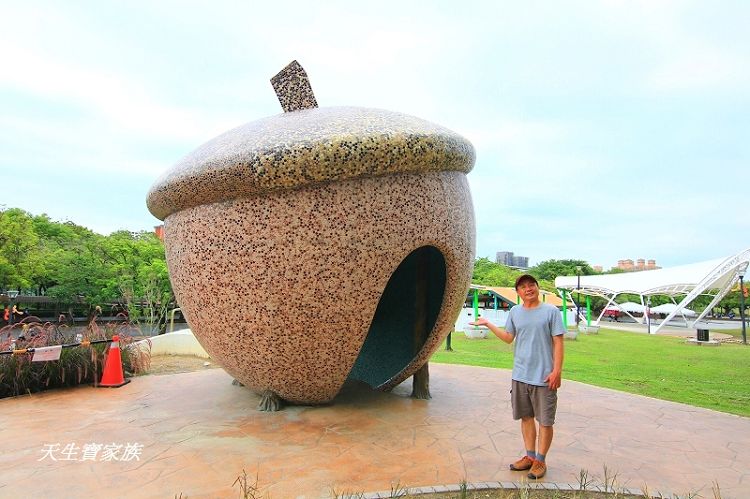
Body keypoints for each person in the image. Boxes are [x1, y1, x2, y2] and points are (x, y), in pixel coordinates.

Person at [470, 274, 565, 480]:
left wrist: (557, 371)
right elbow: (508, 338)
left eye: (531, 285)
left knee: (546, 421)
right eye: (523, 287)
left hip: (544, 376)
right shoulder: (514, 312)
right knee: (526, 417)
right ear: (518, 292)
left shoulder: (551, 311)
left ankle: (540, 461)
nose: (528, 288)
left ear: (537, 288)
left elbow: (558, 342)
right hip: (521, 375)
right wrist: (487, 323)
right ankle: (530, 457)